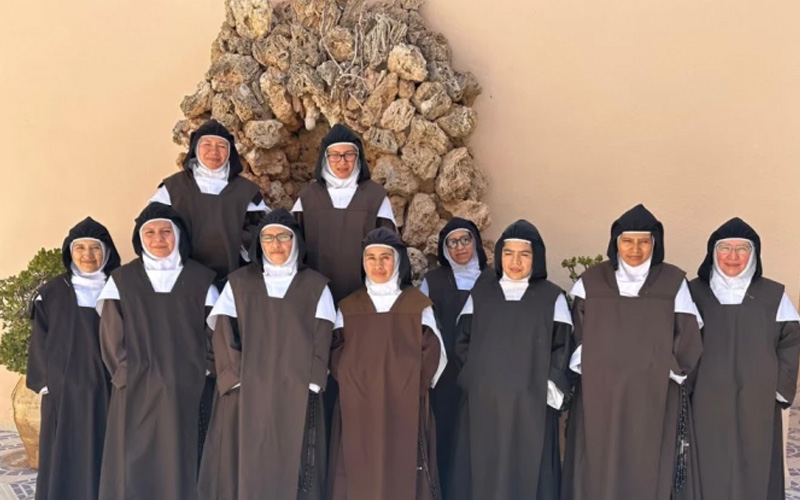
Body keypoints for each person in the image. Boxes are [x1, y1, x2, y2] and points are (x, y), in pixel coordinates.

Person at [562, 204, 704, 500]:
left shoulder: (673, 282)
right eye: (627, 241)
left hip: (654, 392)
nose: (635, 249)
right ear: (615, 243)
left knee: (647, 461)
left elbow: (688, 334)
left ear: (655, 243)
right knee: (599, 459)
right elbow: (577, 334)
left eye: (644, 241)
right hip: (601, 392)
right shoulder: (591, 281)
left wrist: (668, 366)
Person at [198, 209, 335, 500]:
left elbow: (322, 335)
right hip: (244, 392)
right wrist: (235, 377)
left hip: (295, 391)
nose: (276, 245)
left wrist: (311, 381)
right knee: (240, 464)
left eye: (283, 237)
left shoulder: (316, 286)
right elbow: (223, 331)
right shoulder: (238, 283)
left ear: (296, 242)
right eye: (268, 238)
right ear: (259, 244)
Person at [96, 203, 218, 500]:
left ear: (178, 235)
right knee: (133, 462)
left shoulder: (202, 279)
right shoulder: (122, 280)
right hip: (136, 387)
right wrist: (126, 373)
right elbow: (111, 333)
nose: (158, 239)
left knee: (183, 456)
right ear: (140, 238)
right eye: (149, 233)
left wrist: (202, 368)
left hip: (186, 387)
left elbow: (215, 333)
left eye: (165, 231)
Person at [450, 219, 572, 499]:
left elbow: (562, 347)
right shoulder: (481, 295)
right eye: (508, 253)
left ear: (536, 257)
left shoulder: (552, 298)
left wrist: (544, 389)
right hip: (485, 404)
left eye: (524, 254)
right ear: (499, 256)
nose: (515, 262)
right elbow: (462, 344)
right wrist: (478, 382)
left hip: (532, 405)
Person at [328, 228, 447, 500]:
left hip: (406, 403)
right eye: (371, 258)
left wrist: (406, 385)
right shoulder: (348, 306)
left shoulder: (417, 304)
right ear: (363, 262)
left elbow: (432, 352)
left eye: (385, 257)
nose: (378, 265)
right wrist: (355, 380)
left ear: (398, 261)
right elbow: (335, 352)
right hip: (358, 405)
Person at [689, 217, 800, 500]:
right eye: (725, 248)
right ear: (713, 252)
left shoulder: (773, 295)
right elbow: (678, 339)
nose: (733, 256)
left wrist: (777, 385)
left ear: (754, 254)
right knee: (707, 460)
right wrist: (685, 387)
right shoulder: (693, 293)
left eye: (742, 249)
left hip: (757, 398)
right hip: (705, 398)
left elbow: (790, 341)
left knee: (756, 458)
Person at [27, 217, 121, 500]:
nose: (87, 255)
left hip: (109, 387)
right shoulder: (51, 293)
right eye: (80, 248)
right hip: (65, 391)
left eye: (95, 248)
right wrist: (46, 382)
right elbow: (39, 340)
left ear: (107, 252)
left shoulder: (121, 289)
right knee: (64, 453)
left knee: (107, 451)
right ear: (70, 251)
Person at [149, 118, 269, 285]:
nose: (214, 151)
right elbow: (152, 229)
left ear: (230, 151)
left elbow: (260, 234)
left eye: (221, 146)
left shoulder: (246, 191)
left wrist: (239, 239)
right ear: (195, 148)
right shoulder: (173, 188)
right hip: (181, 279)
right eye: (207, 144)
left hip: (233, 280)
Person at [418, 217, 487, 494]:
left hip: (482, 370)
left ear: (476, 242)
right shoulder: (432, 281)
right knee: (445, 433)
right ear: (444, 249)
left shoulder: (492, 279)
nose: (460, 247)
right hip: (444, 372)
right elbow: (422, 326)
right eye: (452, 242)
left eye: (465, 239)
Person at [292, 123, 396, 304]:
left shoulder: (375, 197)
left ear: (358, 157)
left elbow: (390, 248)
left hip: (365, 293)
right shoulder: (308, 198)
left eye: (349, 154)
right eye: (335, 155)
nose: (342, 162)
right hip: (316, 292)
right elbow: (293, 248)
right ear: (325, 158)